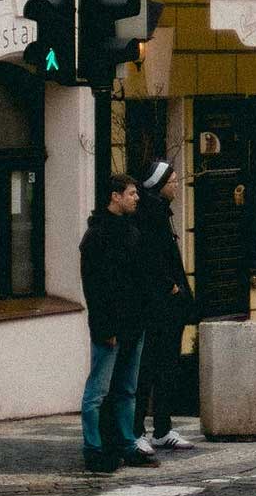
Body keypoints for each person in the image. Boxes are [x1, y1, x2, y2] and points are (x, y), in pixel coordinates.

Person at [80, 174, 156, 473]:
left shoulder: (132, 231)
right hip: (110, 326)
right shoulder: (97, 235)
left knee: (126, 389)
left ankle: (126, 442)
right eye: (132, 193)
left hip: (133, 323)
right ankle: (93, 447)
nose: (136, 198)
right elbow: (94, 287)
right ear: (115, 196)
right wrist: (102, 326)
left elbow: (138, 280)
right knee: (97, 391)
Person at [131, 159, 198, 456]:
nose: (176, 186)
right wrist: (169, 286)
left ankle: (162, 428)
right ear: (159, 185)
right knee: (148, 369)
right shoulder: (151, 214)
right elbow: (150, 259)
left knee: (166, 368)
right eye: (172, 182)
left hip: (168, 305)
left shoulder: (161, 212)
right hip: (157, 306)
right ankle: (138, 430)